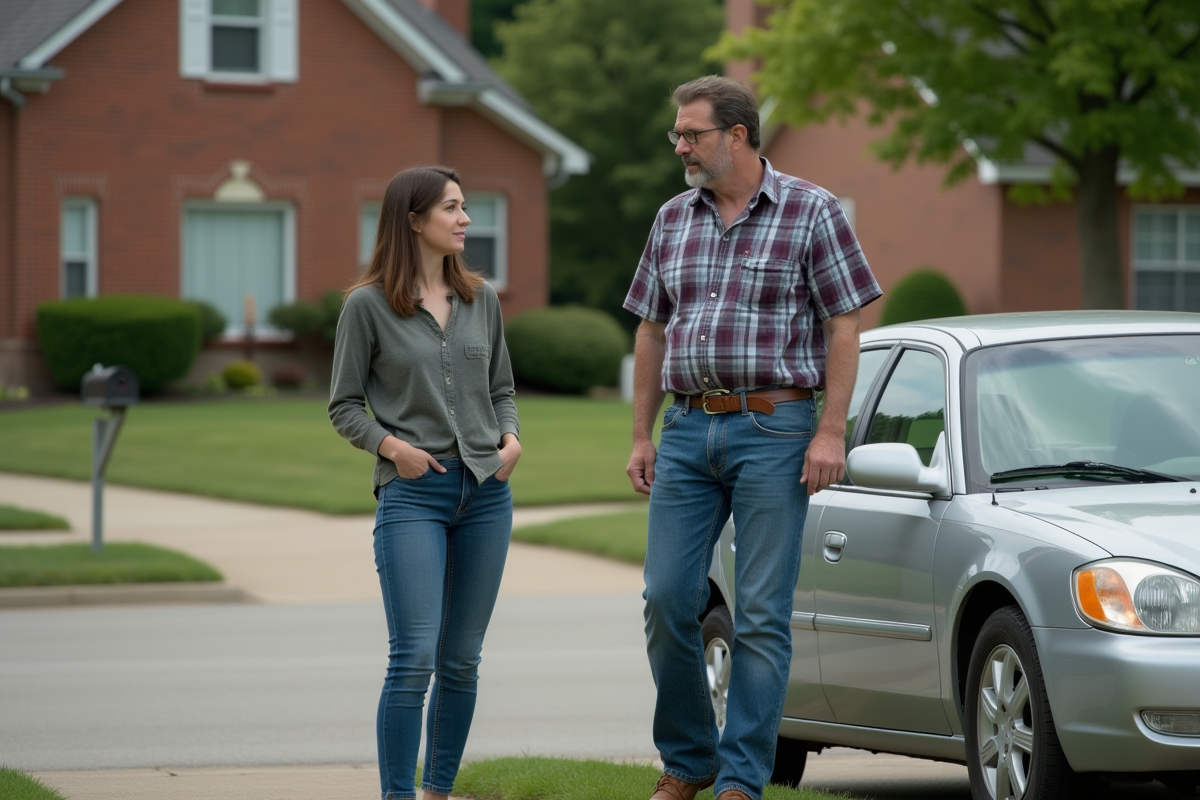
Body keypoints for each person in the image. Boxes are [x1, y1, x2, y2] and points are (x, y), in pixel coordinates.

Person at [623, 76, 882, 800]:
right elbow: (650, 328)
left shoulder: (811, 210)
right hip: (686, 428)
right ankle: (689, 759)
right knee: (666, 598)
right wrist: (641, 435)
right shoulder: (672, 218)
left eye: (692, 134)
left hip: (776, 428)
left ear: (736, 135)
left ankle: (741, 779)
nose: (680, 146)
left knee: (762, 614)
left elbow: (844, 325)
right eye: (677, 134)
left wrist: (830, 431)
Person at [329, 165, 521, 800]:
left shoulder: (481, 299)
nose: (466, 219)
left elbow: (501, 389)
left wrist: (511, 438)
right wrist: (393, 449)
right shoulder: (366, 306)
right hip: (413, 494)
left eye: (464, 206)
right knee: (413, 657)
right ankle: (398, 795)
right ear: (413, 221)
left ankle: (438, 790)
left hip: (487, 496)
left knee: (461, 660)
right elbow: (344, 406)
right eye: (452, 208)